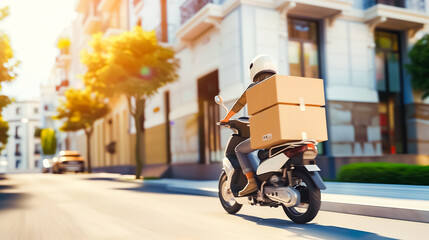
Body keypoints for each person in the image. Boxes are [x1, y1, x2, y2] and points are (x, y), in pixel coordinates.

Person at [220, 54, 278, 196]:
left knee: (239, 149)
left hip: (268, 134)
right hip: (288, 133)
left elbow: (239, 104)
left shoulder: (254, 87)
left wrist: (226, 118)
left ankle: (251, 181)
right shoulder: (280, 84)